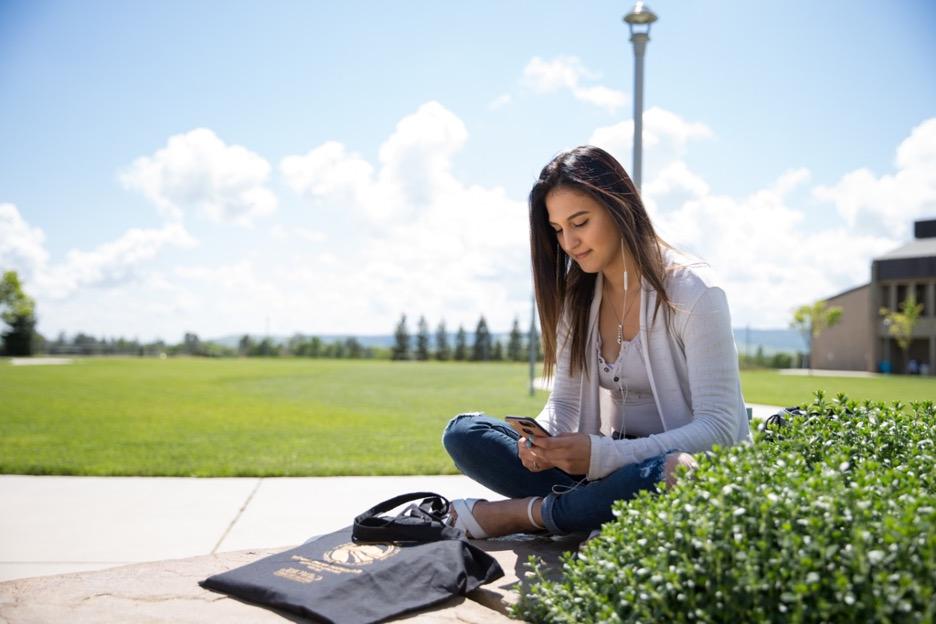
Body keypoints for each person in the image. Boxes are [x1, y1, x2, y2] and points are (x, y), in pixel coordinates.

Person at [442, 145, 752, 538]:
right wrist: (540, 442)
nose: (569, 242)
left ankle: (526, 515)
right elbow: (565, 406)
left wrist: (607, 456)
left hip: (673, 464)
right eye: (557, 230)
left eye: (580, 222)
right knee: (464, 433)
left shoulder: (693, 292)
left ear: (619, 206)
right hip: (597, 467)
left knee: (675, 473)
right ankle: (589, 510)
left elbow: (720, 428)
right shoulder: (579, 297)